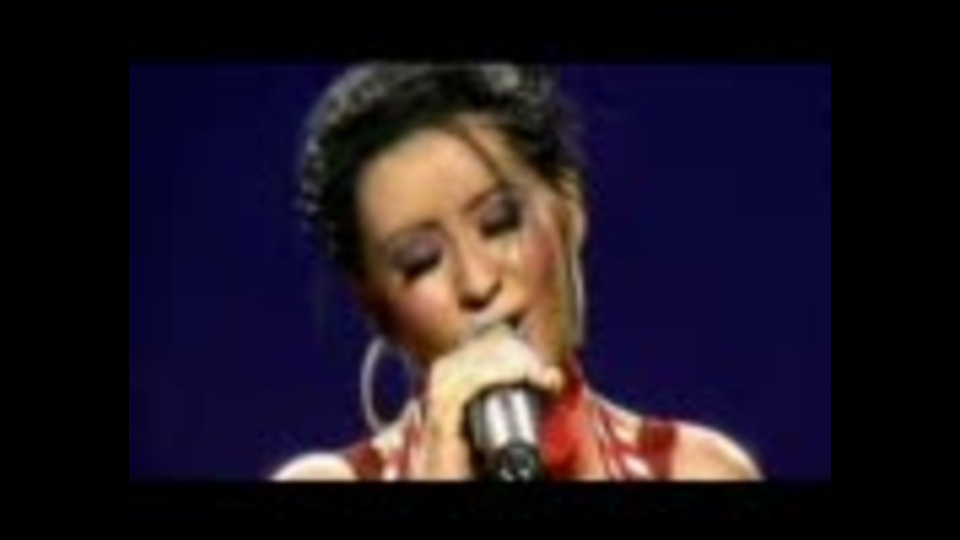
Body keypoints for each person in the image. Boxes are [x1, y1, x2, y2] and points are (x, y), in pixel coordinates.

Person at [272, 63, 762, 481]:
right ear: (378, 309)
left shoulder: (695, 469)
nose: (477, 283)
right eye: (421, 261)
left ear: (569, 207)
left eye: (500, 222)